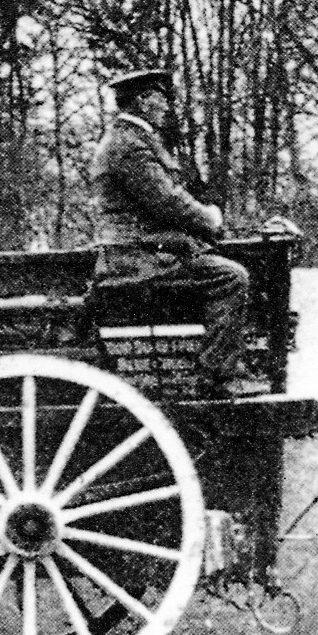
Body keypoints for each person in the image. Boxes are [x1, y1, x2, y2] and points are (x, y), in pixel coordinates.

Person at [93, 69, 264, 398]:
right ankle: (218, 376)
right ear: (143, 101)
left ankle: (228, 366)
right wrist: (210, 219)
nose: (166, 107)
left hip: (143, 251)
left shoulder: (128, 140)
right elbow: (167, 201)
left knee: (222, 266)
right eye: (160, 98)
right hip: (137, 259)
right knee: (231, 277)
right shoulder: (129, 145)